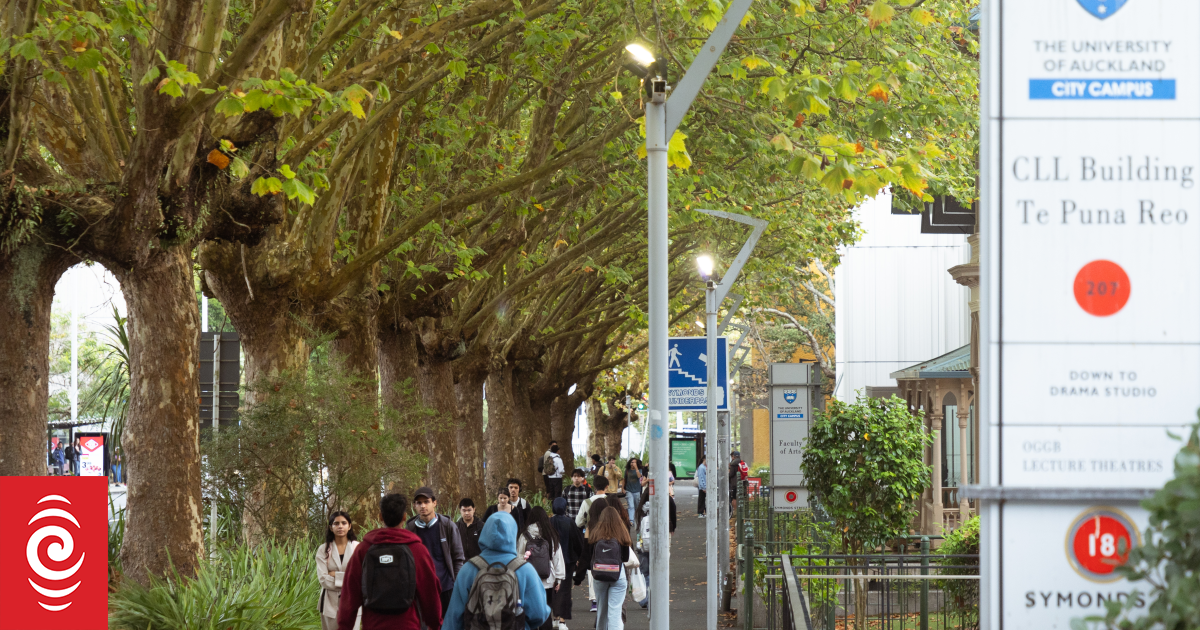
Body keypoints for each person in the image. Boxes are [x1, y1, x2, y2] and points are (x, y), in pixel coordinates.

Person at [336, 494, 444, 630]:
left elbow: (349, 593)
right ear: (404, 517)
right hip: (407, 625)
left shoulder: (364, 549)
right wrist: (434, 624)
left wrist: (344, 626)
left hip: (373, 625)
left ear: (380, 516)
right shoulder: (417, 550)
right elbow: (430, 592)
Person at [441, 512, 551, 630]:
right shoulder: (525, 570)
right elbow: (539, 614)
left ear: (484, 534)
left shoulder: (468, 570)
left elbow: (453, 619)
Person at [405, 487, 467, 615]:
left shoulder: (447, 526)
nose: (423, 506)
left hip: (446, 588)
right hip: (420, 591)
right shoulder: (410, 529)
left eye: (426, 502)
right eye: (419, 503)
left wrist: (455, 582)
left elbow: (458, 558)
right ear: (414, 506)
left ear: (434, 503)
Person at [516, 507, 565, 630]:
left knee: (530, 610)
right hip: (547, 579)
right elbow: (557, 558)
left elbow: (518, 557)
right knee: (546, 610)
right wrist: (558, 579)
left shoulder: (524, 535)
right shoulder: (550, 533)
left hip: (529, 579)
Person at [587, 507, 632, 630]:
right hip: (618, 576)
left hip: (599, 576)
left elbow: (590, 558)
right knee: (615, 612)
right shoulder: (622, 533)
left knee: (601, 611)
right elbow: (626, 558)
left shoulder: (595, 534)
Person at [317, 511, 361, 630]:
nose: (340, 526)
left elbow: (361, 578)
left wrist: (335, 574)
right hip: (329, 603)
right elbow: (323, 579)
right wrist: (349, 579)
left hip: (352, 601)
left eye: (343, 523)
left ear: (349, 526)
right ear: (331, 527)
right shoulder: (323, 549)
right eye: (336, 523)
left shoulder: (358, 548)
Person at [550, 498, 584, 629]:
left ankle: (555, 617)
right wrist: (579, 559)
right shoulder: (570, 522)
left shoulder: (549, 522)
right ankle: (563, 620)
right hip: (568, 561)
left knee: (553, 590)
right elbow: (578, 542)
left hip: (551, 562)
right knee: (564, 590)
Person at [622, 459, 644, 526]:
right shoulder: (627, 470)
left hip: (637, 490)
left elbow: (639, 476)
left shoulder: (639, 470)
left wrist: (636, 468)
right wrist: (622, 488)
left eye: (634, 462)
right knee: (631, 505)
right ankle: (631, 520)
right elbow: (624, 479)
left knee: (636, 506)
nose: (633, 463)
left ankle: (637, 519)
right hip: (629, 490)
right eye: (632, 462)